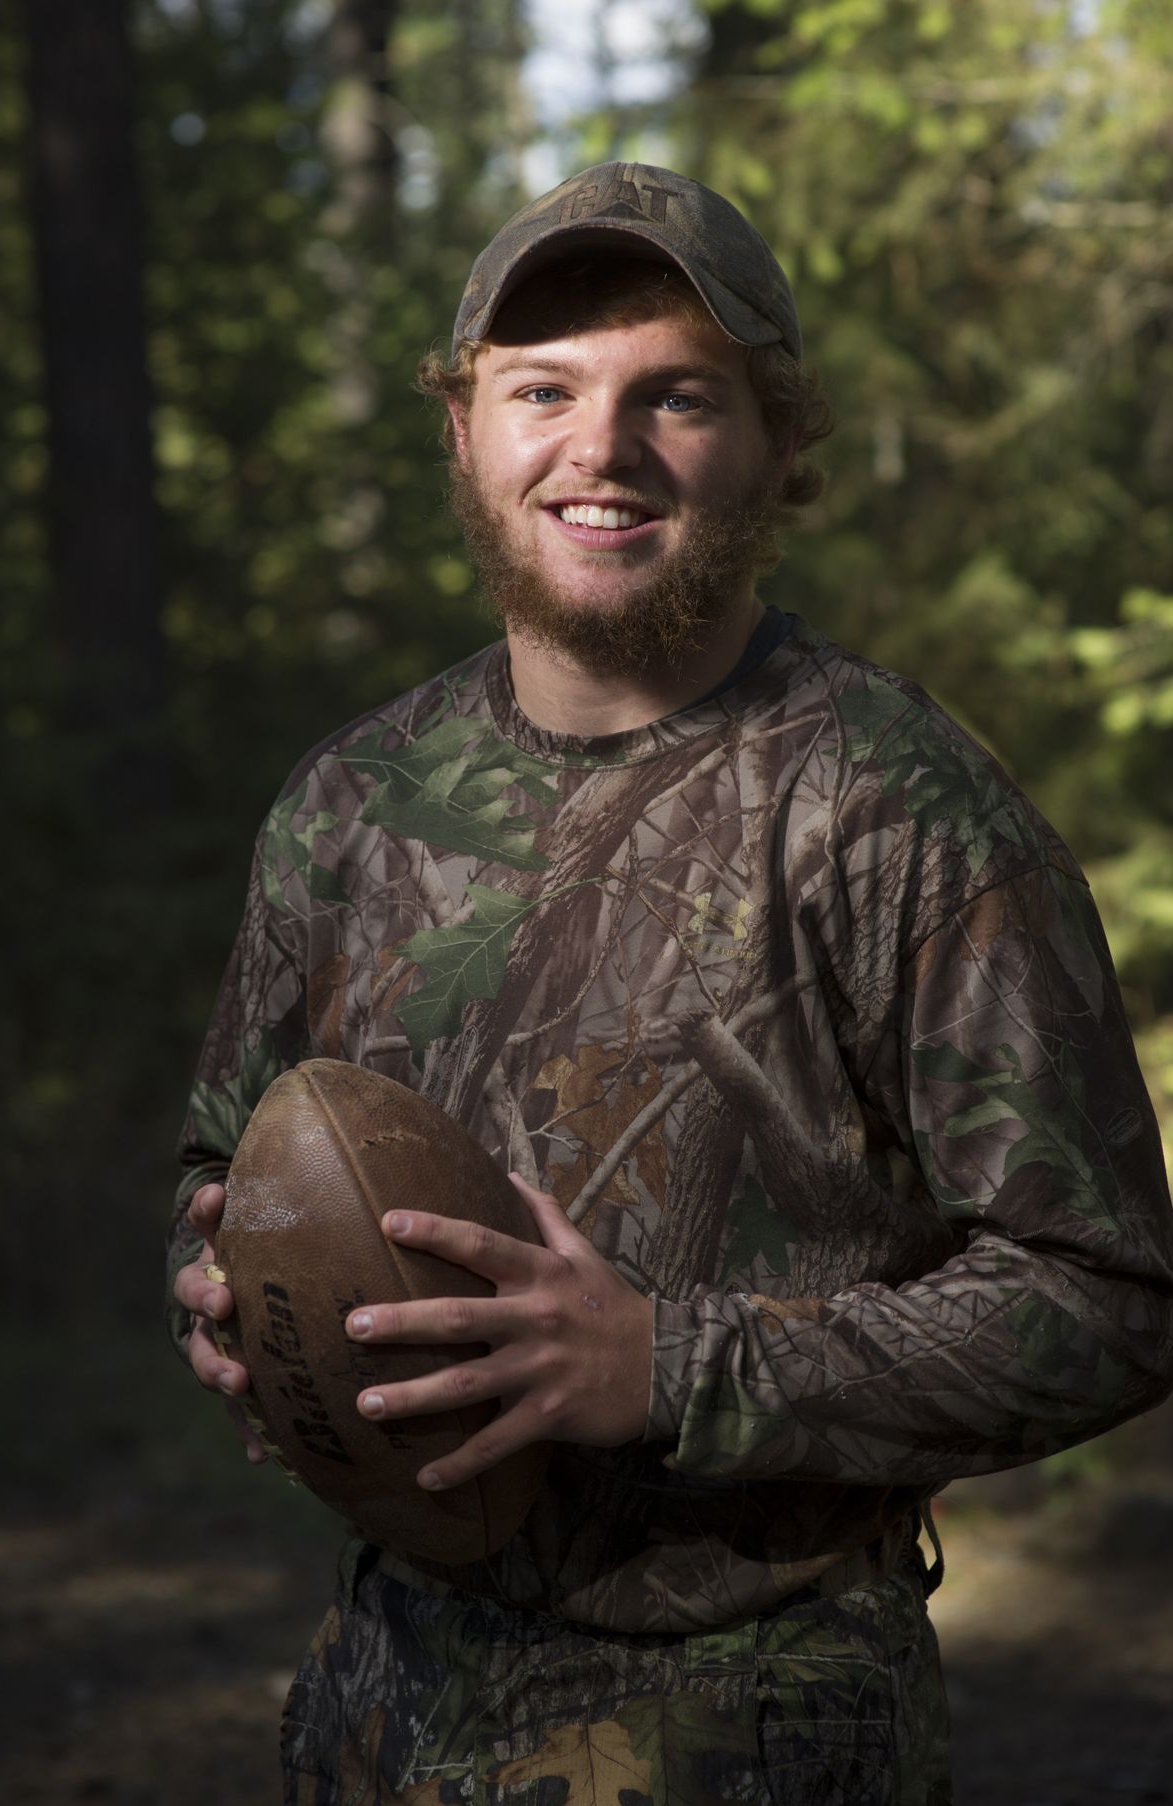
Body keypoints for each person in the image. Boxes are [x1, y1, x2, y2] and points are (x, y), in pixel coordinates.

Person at [167, 162, 1173, 1805]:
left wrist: (664, 1366)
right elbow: (220, 1159)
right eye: (541, 391)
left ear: (779, 442)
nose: (600, 449)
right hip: (382, 1693)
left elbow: (1114, 1291)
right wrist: (227, 1294)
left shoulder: (896, 807)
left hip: (756, 1721)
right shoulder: (352, 798)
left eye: (676, 397)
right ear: (464, 432)